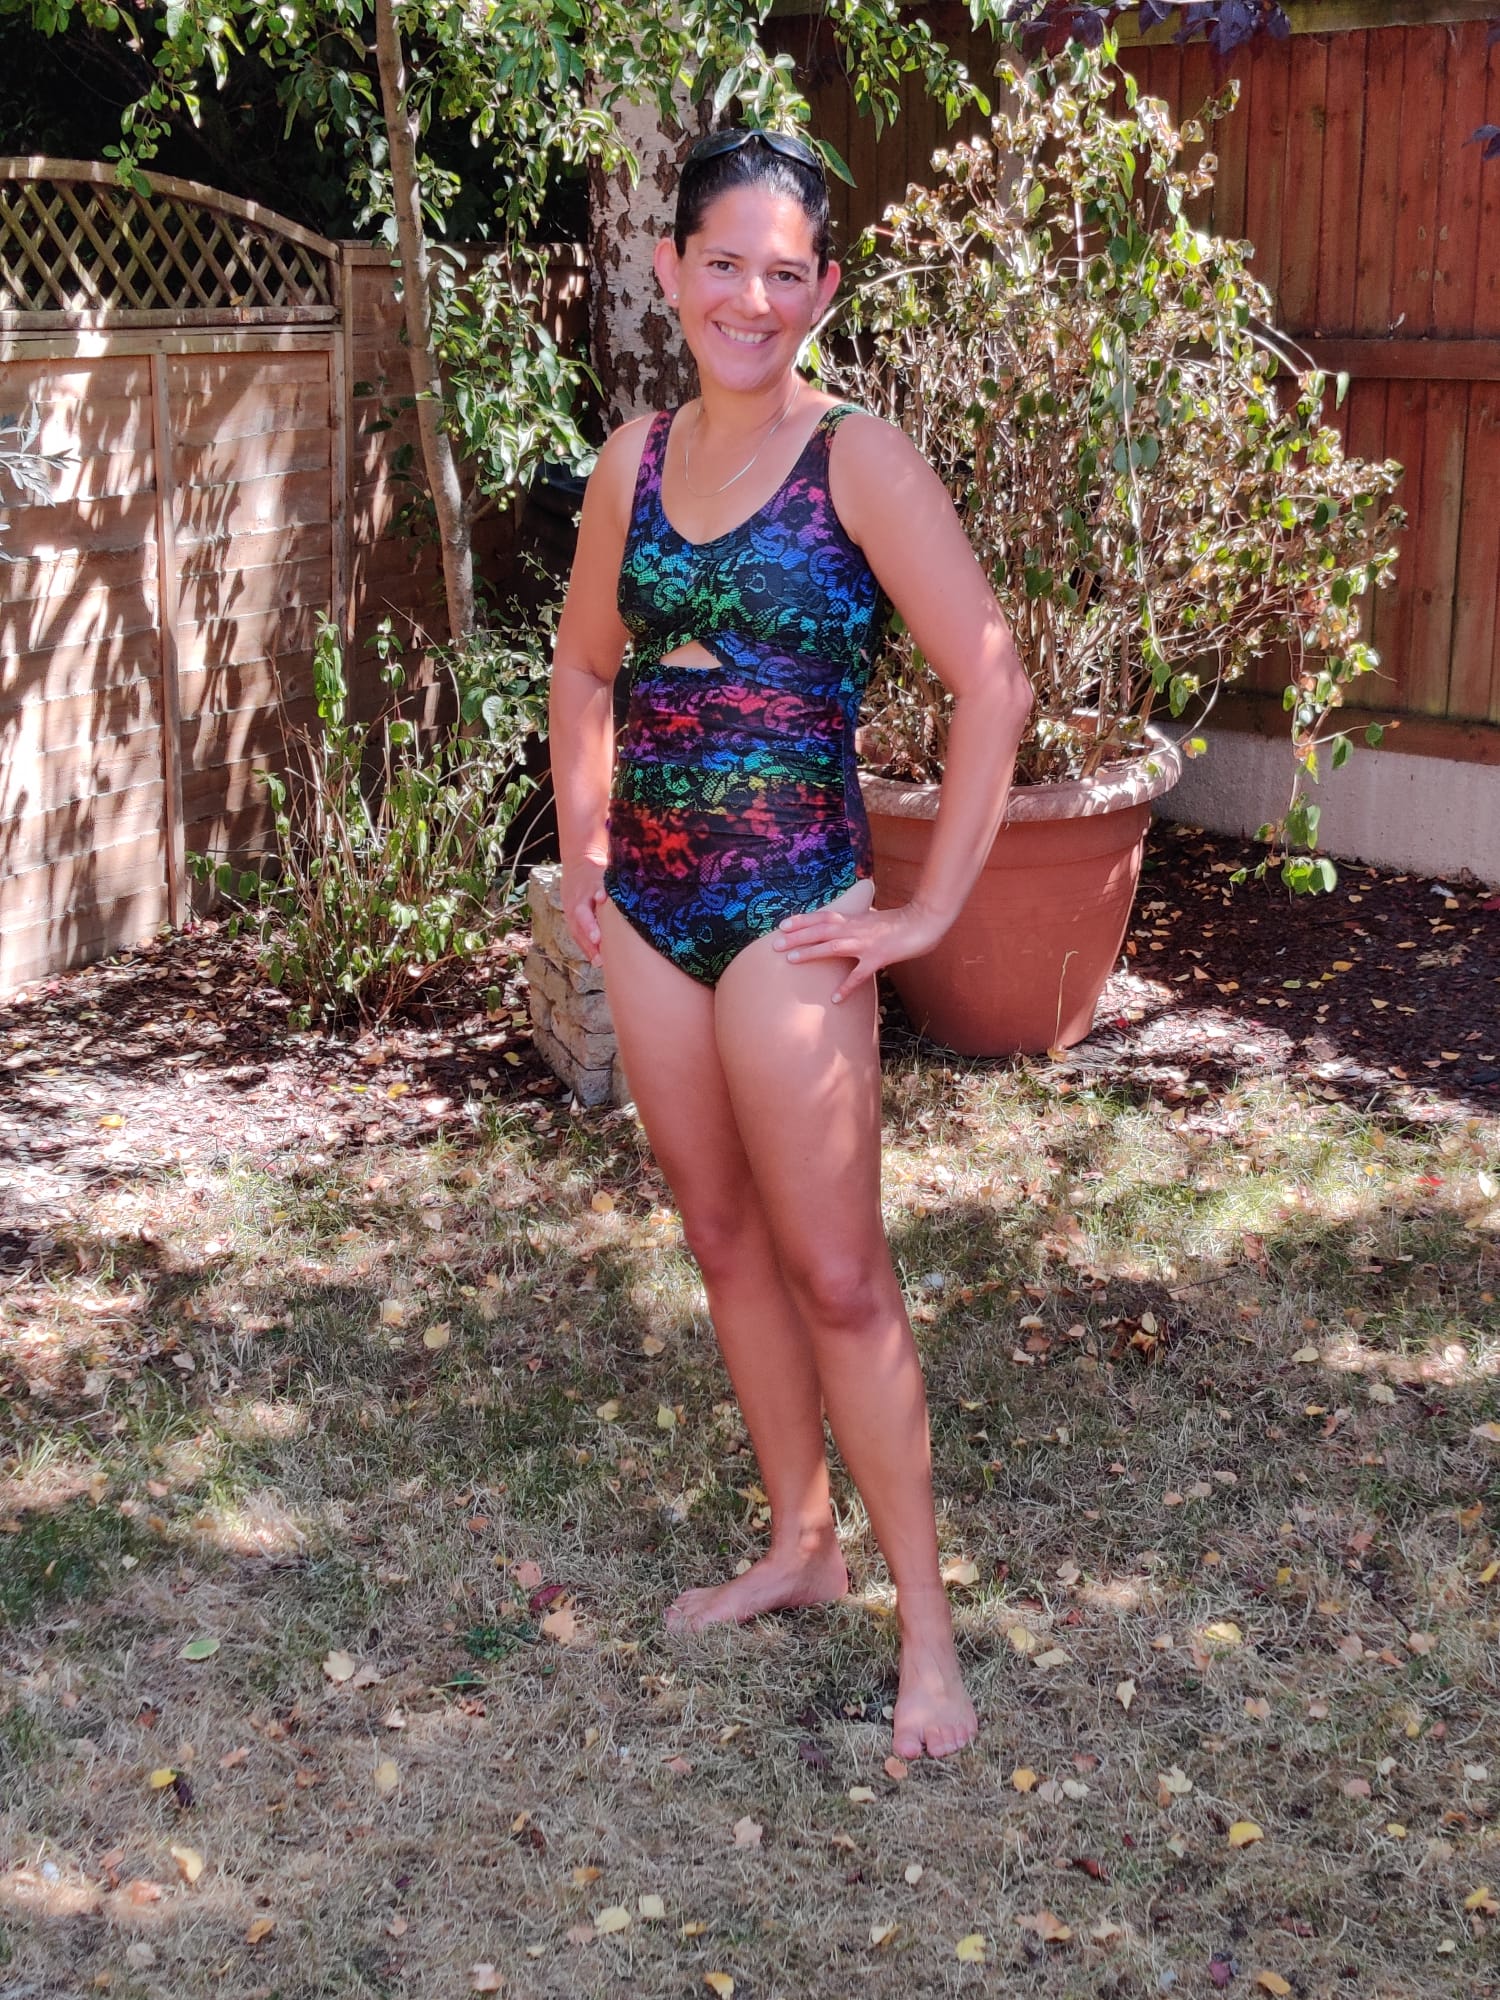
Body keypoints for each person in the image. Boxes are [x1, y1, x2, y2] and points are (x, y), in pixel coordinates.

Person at [548, 127, 1032, 1760]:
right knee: (725, 1239)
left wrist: (932, 911)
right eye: (723, 263)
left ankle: (933, 1644)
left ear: (822, 291)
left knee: (836, 1269)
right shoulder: (631, 461)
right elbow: (586, 669)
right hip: (658, 923)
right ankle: (799, 1546)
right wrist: (586, 846)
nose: (751, 296)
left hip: (792, 917)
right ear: (672, 271)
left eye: (786, 270)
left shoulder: (860, 463)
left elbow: (994, 681)